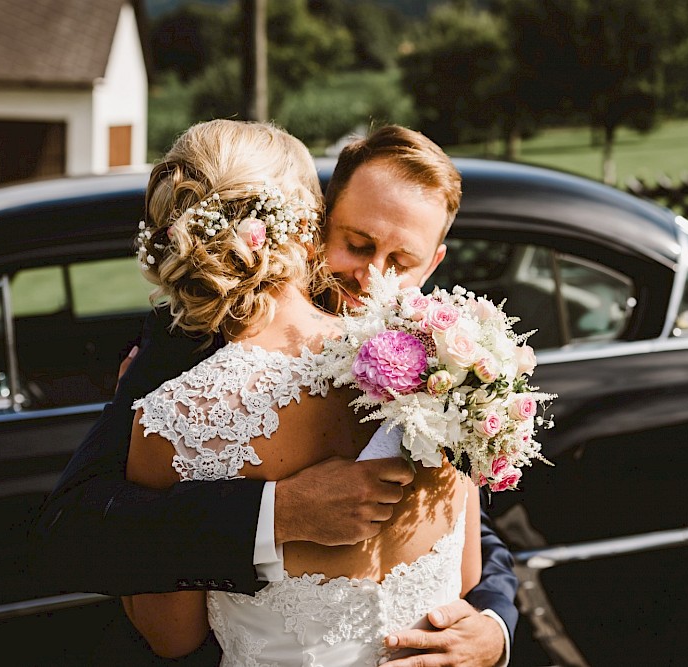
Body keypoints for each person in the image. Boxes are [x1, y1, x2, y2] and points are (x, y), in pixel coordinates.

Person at [30, 123, 518, 667]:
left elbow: (471, 558)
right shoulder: (174, 364)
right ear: (316, 227)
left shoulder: (448, 368)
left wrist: (495, 627)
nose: (374, 279)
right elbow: (74, 531)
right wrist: (274, 514)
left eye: (401, 264)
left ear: (432, 265)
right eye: (357, 245)